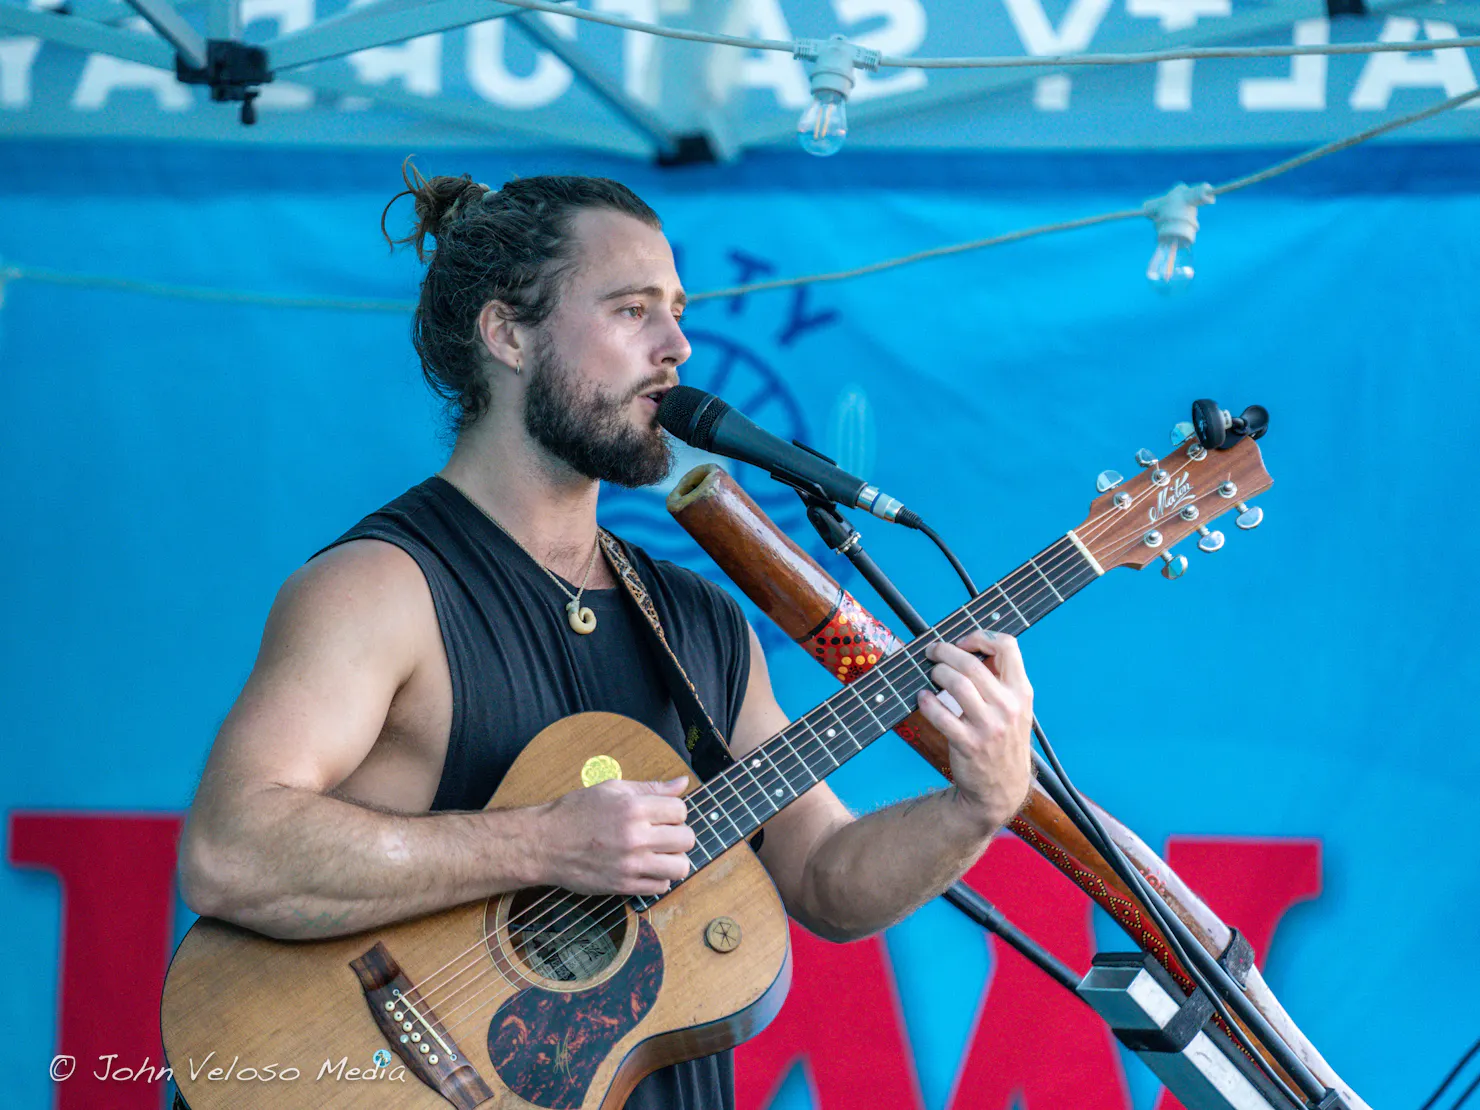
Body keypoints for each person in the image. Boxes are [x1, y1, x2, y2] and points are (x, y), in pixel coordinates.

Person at [176, 167, 1036, 1110]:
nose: (677, 347)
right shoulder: (380, 588)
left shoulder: (701, 623)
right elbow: (232, 852)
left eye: (676, 311)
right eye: (632, 311)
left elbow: (827, 881)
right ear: (507, 334)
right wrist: (542, 846)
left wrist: (976, 805)